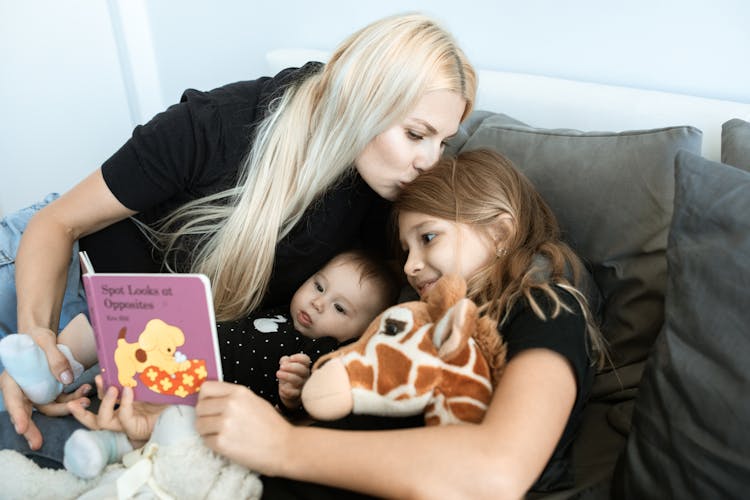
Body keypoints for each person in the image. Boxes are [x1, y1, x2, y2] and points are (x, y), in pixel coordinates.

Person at [0, 12, 476, 460]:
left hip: (144, 339)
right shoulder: (217, 124)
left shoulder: (385, 196)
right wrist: (37, 337)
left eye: (443, 141)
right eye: (416, 134)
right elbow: (56, 224)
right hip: (51, 270)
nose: (429, 161)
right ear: (361, 104)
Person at [183, 149, 607, 498]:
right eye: (406, 249)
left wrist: (283, 444)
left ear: (499, 233)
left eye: (427, 238)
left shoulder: (546, 308)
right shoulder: (415, 323)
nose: (410, 267)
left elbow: (497, 471)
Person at [1, 249, 400, 478]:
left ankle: (102, 447)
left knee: (168, 423)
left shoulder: (322, 355)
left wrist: (296, 392)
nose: (317, 302)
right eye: (319, 285)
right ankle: (53, 369)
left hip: (199, 403)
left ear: (356, 334)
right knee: (112, 323)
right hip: (175, 361)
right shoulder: (277, 306)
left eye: (339, 307)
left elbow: (306, 410)